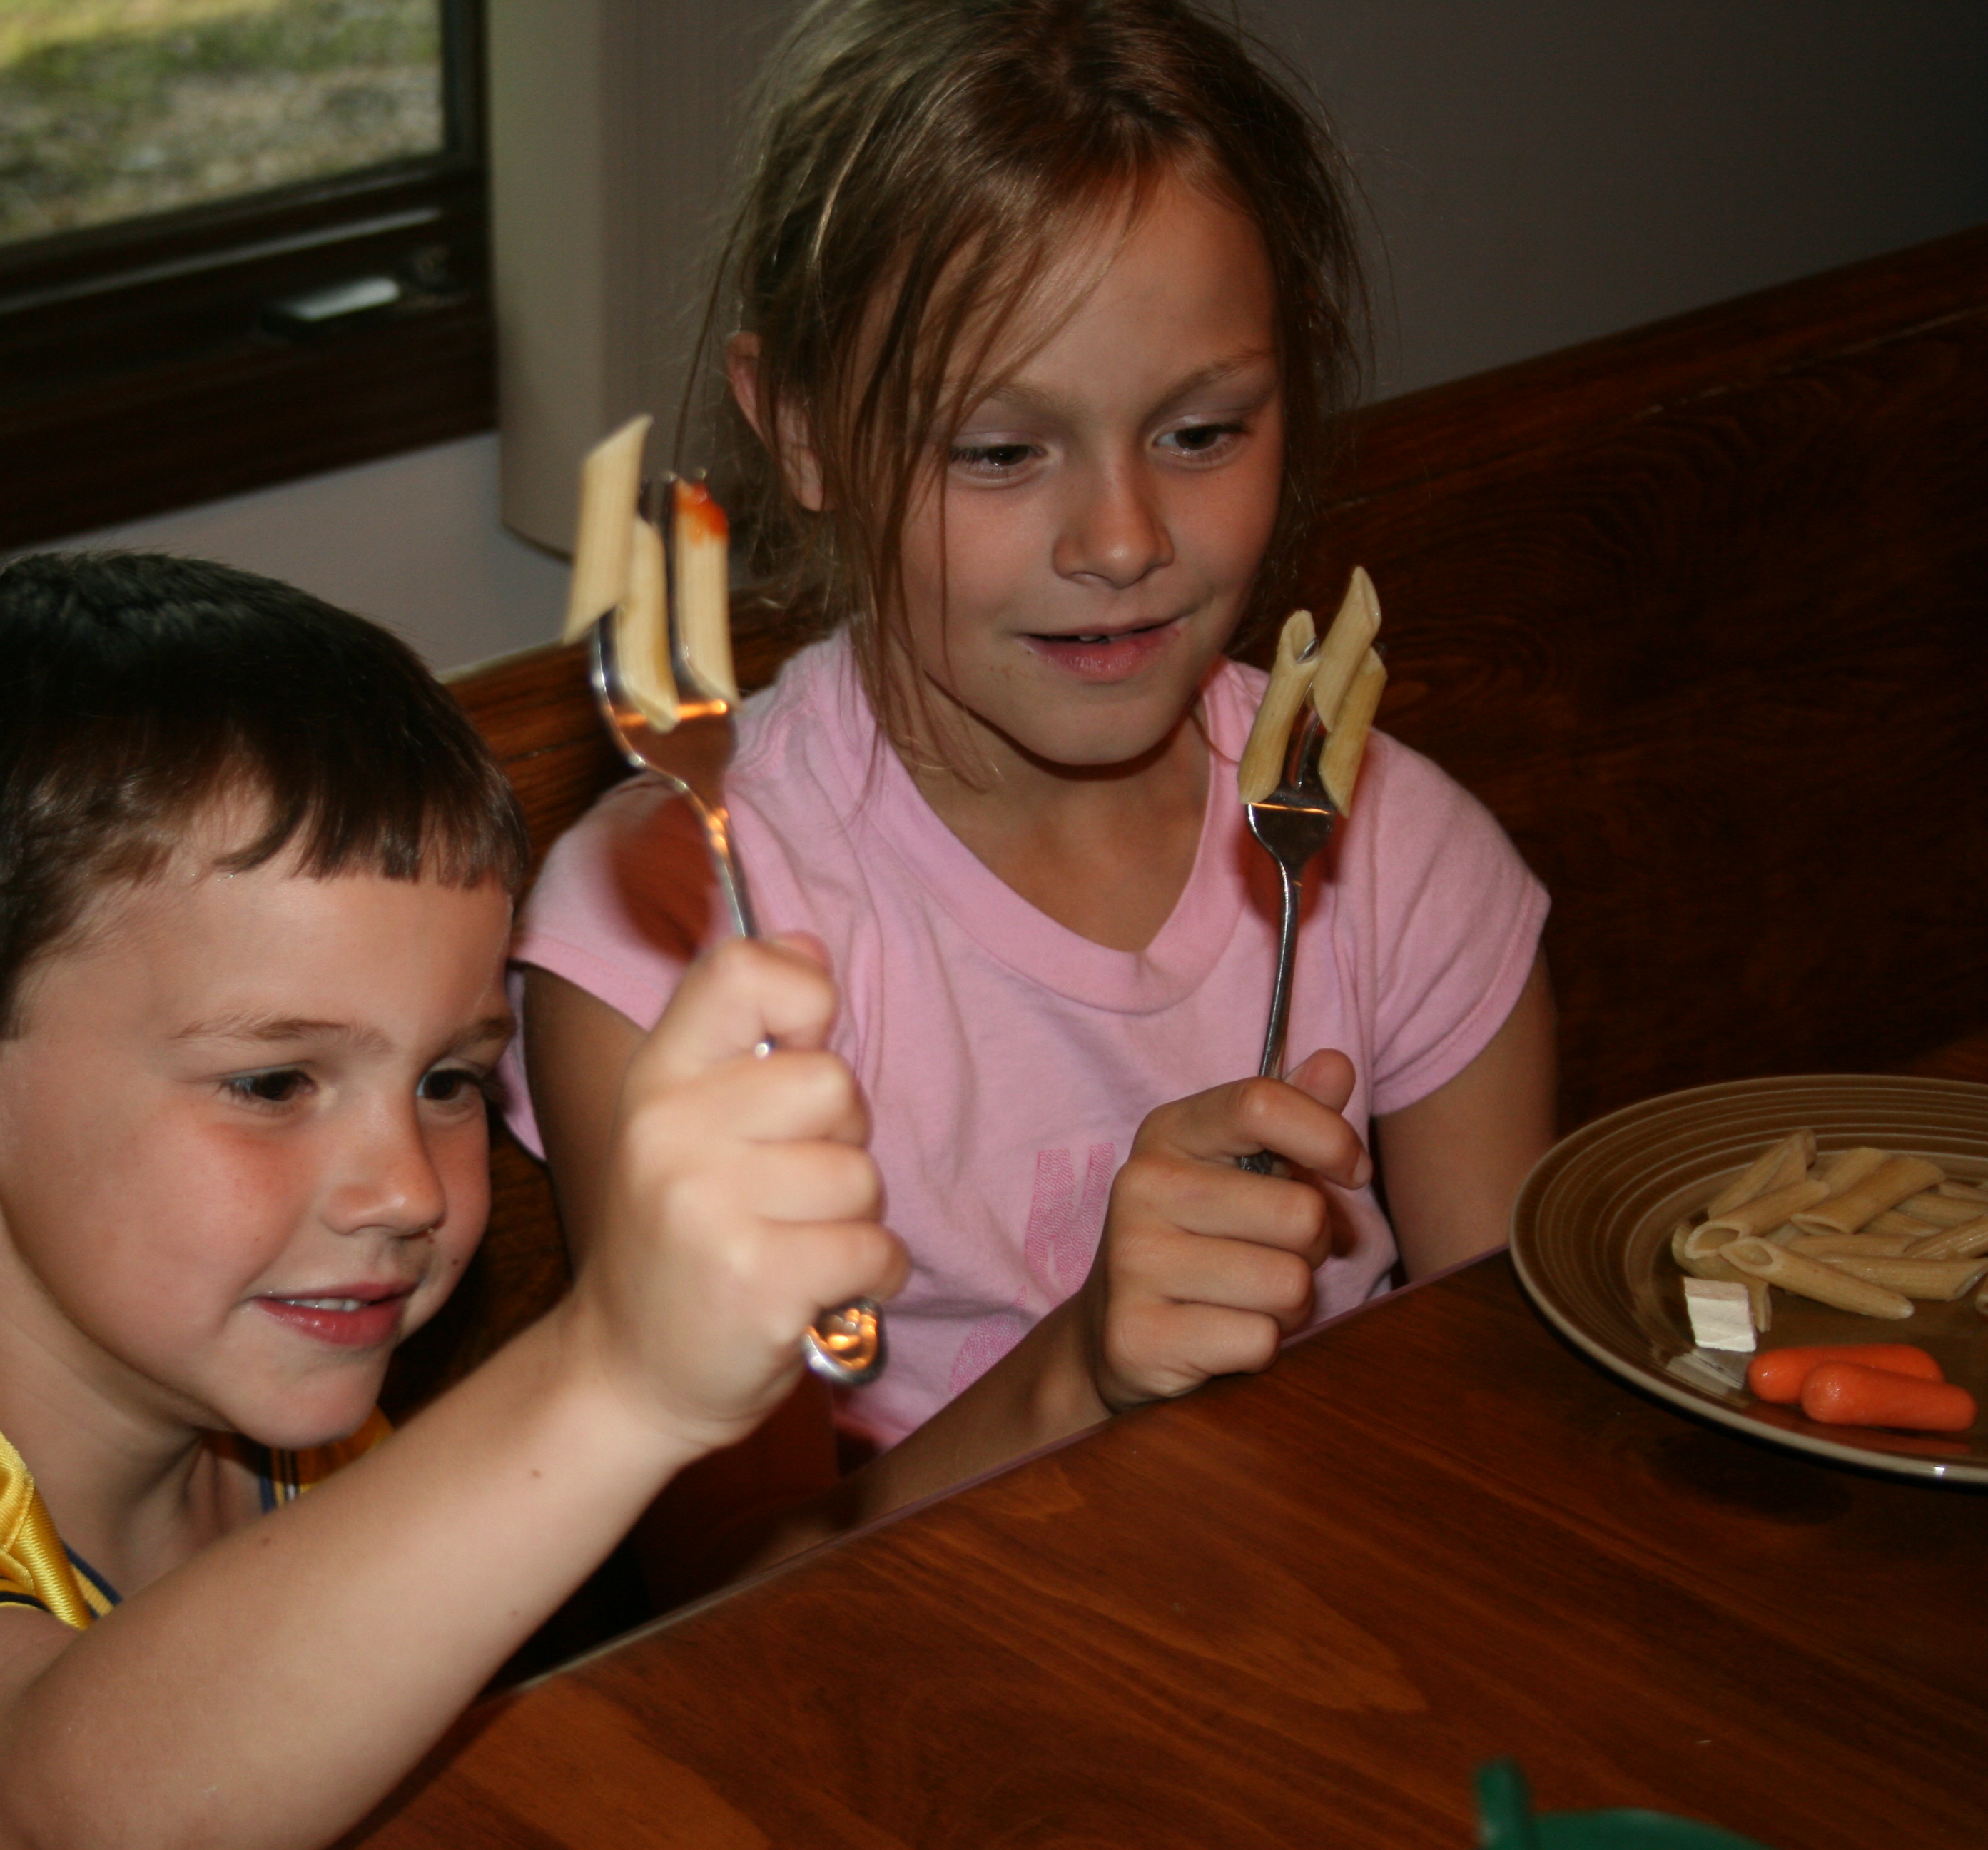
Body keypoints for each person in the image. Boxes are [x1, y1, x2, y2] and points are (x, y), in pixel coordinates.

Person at [0, 552, 906, 1850]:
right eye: (271, 1083)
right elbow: (48, 1812)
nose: (405, 1190)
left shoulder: (294, 1429)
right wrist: (616, 1379)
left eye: (447, 1080)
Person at [510, 0, 1556, 1597]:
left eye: (1201, 432)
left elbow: (1509, 1439)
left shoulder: (1396, 861)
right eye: (999, 452)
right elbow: (727, 1601)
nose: (1122, 539)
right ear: (801, 429)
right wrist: (1080, 1370)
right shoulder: (669, 937)